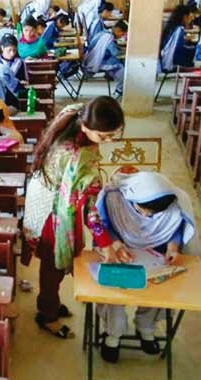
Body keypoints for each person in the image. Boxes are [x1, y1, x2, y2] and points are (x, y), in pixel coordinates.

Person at [23, 97, 124, 339]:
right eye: (103, 136)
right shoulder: (79, 158)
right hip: (52, 210)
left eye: (113, 135)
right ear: (86, 127)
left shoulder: (77, 113)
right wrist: (106, 243)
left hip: (44, 194)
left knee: (53, 262)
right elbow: (90, 210)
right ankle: (47, 314)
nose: (108, 141)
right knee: (52, 265)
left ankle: (50, 303)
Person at [95, 172, 197, 363]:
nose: (147, 216)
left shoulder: (173, 202)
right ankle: (113, 334)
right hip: (120, 251)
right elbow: (102, 225)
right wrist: (115, 243)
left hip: (154, 253)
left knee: (158, 287)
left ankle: (146, 328)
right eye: (142, 211)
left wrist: (173, 246)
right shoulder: (114, 198)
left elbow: (177, 228)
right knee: (116, 289)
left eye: (152, 214)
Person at [83, 21, 128, 97]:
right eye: (122, 34)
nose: (122, 36)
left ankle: (118, 83)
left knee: (118, 62)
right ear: (117, 30)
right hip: (96, 61)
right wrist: (125, 52)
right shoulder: (108, 37)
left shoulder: (104, 32)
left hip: (91, 57)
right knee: (120, 67)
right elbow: (115, 53)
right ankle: (119, 90)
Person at [159, 5, 195, 72]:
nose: (190, 21)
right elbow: (179, 48)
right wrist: (193, 47)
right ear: (185, 17)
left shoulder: (171, 27)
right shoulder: (179, 29)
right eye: (189, 18)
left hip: (164, 58)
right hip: (172, 61)